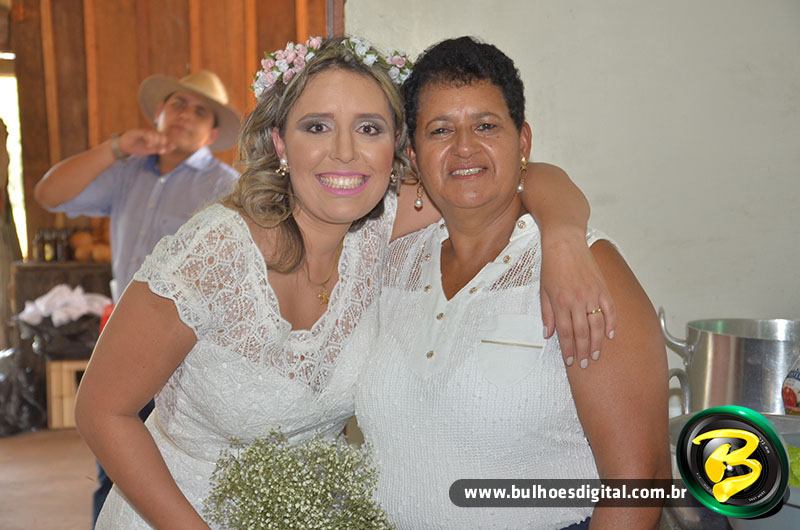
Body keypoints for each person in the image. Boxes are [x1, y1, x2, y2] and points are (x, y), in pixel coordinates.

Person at [76, 36, 613, 528]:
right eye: (316, 127)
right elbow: (102, 412)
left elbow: (517, 176)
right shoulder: (215, 251)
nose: (345, 152)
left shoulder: (381, 228)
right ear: (280, 143)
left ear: (396, 149)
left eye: (368, 128)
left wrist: (565, 237)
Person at [355, 36, 671, 529]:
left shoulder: (582, 268)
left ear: (522, 142)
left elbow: (639, 479)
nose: (464, 147)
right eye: (441, 130)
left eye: (486, 126)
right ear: (413, 154)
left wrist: (562, 236)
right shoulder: (393, 263)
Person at [33, 70, 241, 524]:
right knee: (112, 462)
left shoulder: (226, 187)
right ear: (160, 112)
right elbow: (48, 194)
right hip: (121, 338)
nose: (184, 115)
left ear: (212, 133)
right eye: (178, 103)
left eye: (199, 111)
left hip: (186, 349)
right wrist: (116, 147)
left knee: (173, 467)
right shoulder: (128, 172)